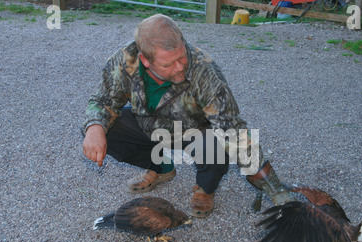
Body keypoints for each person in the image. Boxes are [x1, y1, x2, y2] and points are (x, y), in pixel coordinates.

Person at [82, 14, 295, 218]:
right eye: (168, 64)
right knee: (103, 129)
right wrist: (94, 128)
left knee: (218, 145)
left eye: (182, 56)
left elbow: (232, 128)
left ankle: (205, 188)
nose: (180, 67)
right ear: (145, 61)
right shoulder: (124, 61)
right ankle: (162, 168)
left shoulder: (204, 70)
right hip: (149, 126)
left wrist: (274, 188)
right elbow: (103, 101)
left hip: (196, 132)